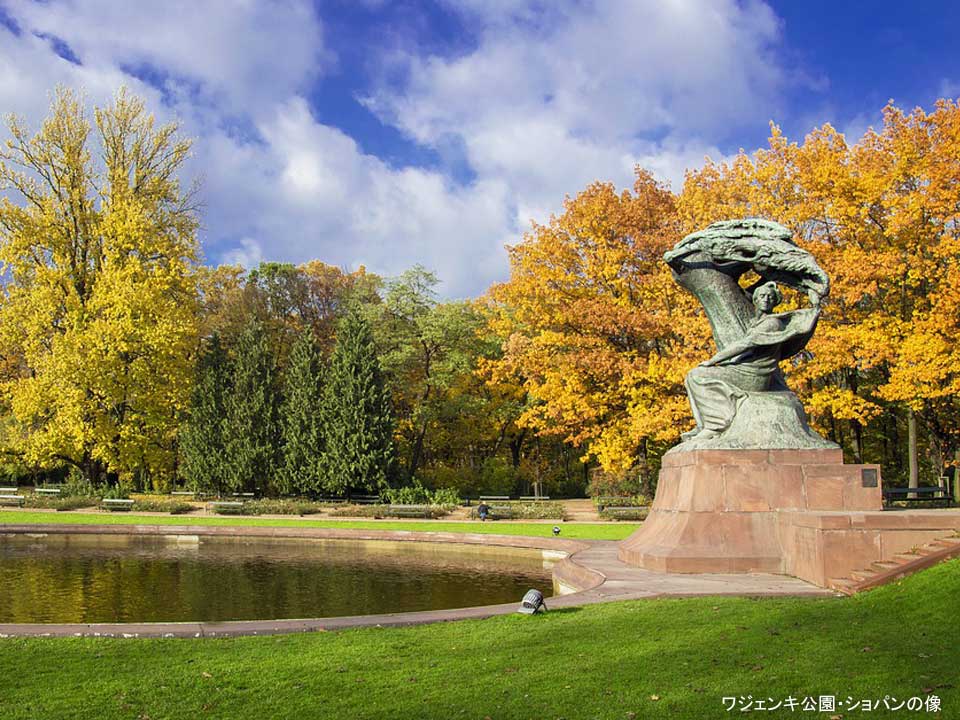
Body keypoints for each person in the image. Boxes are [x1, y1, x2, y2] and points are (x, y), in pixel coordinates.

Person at [683, 281, 820, 441]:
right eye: (762, 296)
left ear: (775, 302)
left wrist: (712, 361)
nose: (766, 299)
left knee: (697, 375)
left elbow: (745, 344)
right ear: (755, 299)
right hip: (745, 369)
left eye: (770, 297)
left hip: (753, 376)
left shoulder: (772, 324)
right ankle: (703, 425)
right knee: (692, 376)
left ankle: (715, 425)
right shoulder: (756, 323)